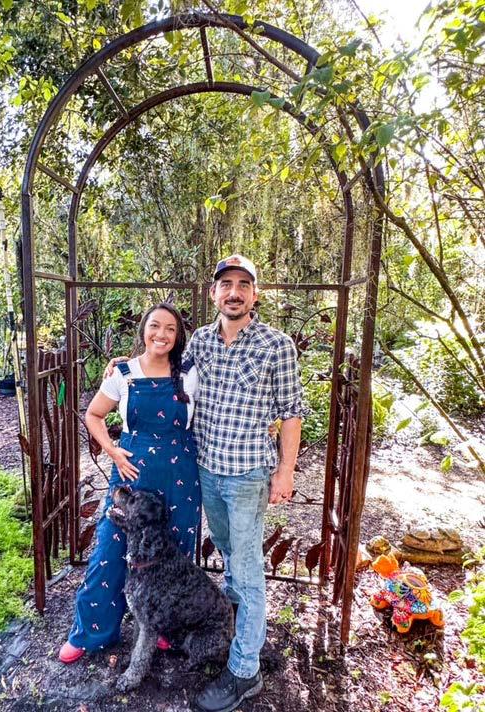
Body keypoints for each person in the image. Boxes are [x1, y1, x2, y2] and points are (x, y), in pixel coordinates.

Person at [187, 254, 303, 712]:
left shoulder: (276, 345)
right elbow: (164, 370)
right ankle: (240, 623)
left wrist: (285, 471)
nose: (233, 292)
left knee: (249, 570)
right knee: (228, 550)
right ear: (213, 292)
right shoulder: (199, 340)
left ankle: (244, 671)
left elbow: (291, 413)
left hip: (249, 474)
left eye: (242, 285)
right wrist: (122, 366)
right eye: (226, 284)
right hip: (207, 469)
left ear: (255, 294)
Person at [58, 302, 200, 663]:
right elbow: (93, 414)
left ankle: (166, 631)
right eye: (155, 326)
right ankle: (91, 632)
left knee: (174, 556)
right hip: (132, 473)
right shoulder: (123, 372)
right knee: (109, 549)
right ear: (143, 330)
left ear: (178, 336)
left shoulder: (191, 372)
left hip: (180, 476)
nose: (161, 334)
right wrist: (112, 451)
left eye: (170, 328)